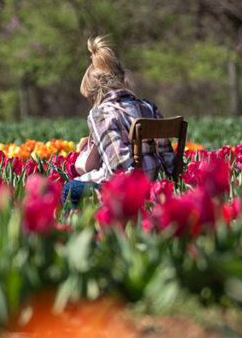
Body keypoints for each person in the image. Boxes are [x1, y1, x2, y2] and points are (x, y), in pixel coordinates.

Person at [63, 36, 175, 209]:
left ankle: (77, 230)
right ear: (124, 81)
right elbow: (167, 154)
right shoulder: (148, 107)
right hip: (150, 183)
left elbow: (119, 166)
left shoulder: (100, 114)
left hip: (125, 187)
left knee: (70, 189)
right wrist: (174, 179)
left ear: (94, 95)